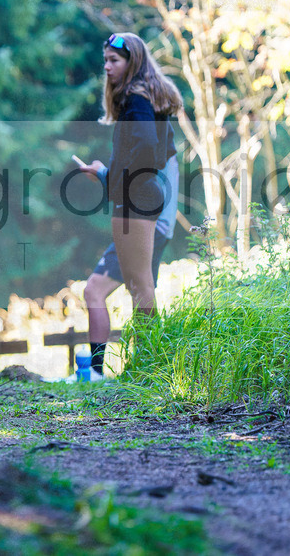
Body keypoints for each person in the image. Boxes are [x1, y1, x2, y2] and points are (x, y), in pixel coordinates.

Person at [77, 32, 182, 377]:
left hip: (135, 199)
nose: (107, 67)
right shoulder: (147, 97)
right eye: (105, 60)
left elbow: (151, 149)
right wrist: (114, 176)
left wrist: (118, 176)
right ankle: (147, 365)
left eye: (114, 61)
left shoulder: (136, 99)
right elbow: (165, 149)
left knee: (140, 286)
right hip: (134, 196)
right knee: (139, 285)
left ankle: (151, 366)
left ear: (132, 63)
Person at [78, 155, 178, 380]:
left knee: (97, 290)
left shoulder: (147, 128)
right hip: (155, 222)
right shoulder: (155, 129)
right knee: (139, 290)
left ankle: (97, 372)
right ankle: (149, 367)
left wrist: (103, 173)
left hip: (145, 222)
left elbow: (140, 181)